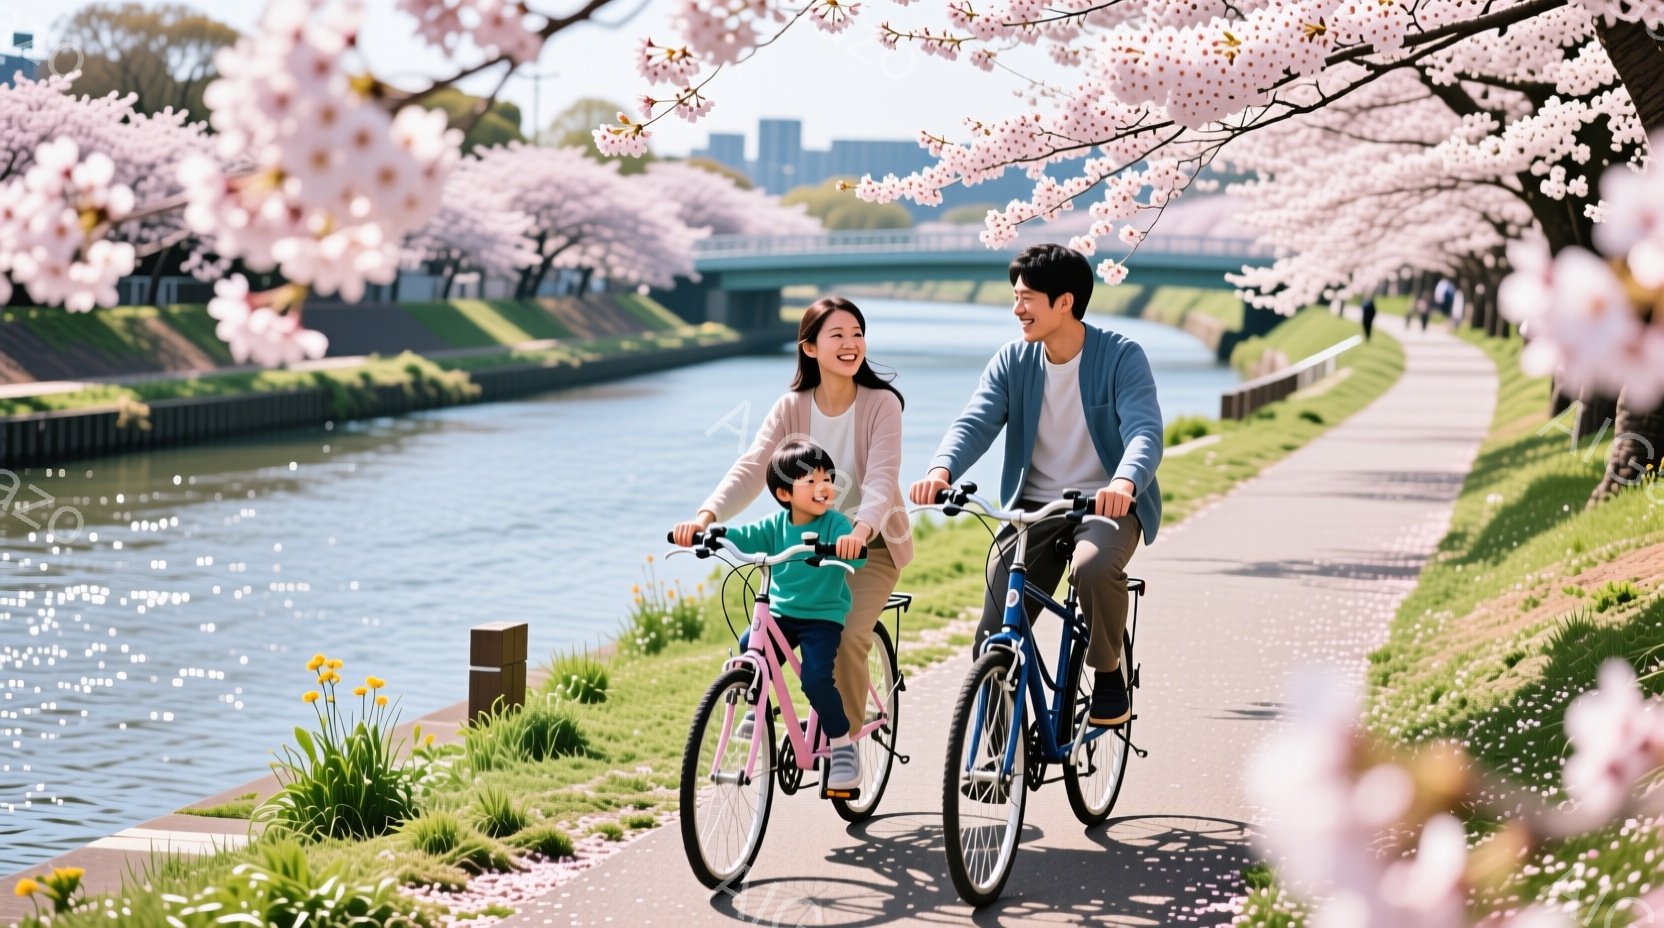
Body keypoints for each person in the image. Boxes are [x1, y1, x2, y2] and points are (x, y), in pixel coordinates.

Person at [909, 243, 1163, 727]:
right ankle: (998, 744)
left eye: (1027, 297)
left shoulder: (1121, 356)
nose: (1016, 309)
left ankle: (1107, 671)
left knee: (1092, 568)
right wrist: (941, 471)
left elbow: (1144, 432)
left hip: (1107, 506)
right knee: (993, 630)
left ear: (1064, 302)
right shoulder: (1014, 360)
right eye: (1015, 296)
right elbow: (976, 421)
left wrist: (1126, 482)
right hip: (1036, 509)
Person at [672, 296, 912, 766]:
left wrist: (860, 530)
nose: (851, 344)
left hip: (868, 546)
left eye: (857, 334)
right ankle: (760, 699)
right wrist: (706, 517)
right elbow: (753, 466)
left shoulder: (881, 404)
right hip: (804, 545)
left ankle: (846, 746)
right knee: (767, 631)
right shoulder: (791, 407)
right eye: (837, 335)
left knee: (846, 637)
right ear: (809, 348)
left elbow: (883, 478)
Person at [692, 441, 868, 790]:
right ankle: (756, 705)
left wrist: (852, 545)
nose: (824, 487)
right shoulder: (775, 525)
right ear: (785, 494)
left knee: (816, 680)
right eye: (811, 481)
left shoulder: (835, 524)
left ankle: (842, 743)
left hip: (822, 617)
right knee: (749, 647)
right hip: (783, 612)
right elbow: (743, 536)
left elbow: (856, 556)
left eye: (827, 479)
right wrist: (710, 532)